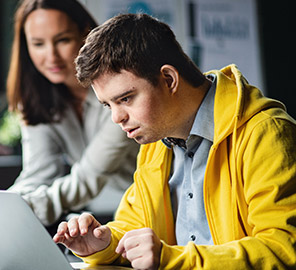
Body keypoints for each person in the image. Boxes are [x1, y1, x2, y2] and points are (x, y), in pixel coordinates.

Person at [53, 13, 296, 269]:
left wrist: (171, 259)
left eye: (126, 98)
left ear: (169, 79)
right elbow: (135, 225)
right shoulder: (157, 142)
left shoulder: (266, 133)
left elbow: (284, 248)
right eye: (108, 105)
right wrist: (103, 244)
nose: (116, 117)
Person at [6, 0, 139, 226]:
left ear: (86, 34)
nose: (51, 56)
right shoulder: (37, 98)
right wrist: (3, 204)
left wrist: (22, 210)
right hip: (106, 217)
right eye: (38, 44)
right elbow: (38, 174)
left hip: (151, 211)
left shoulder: (120, 90)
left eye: (63, 40)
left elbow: (89, 177)